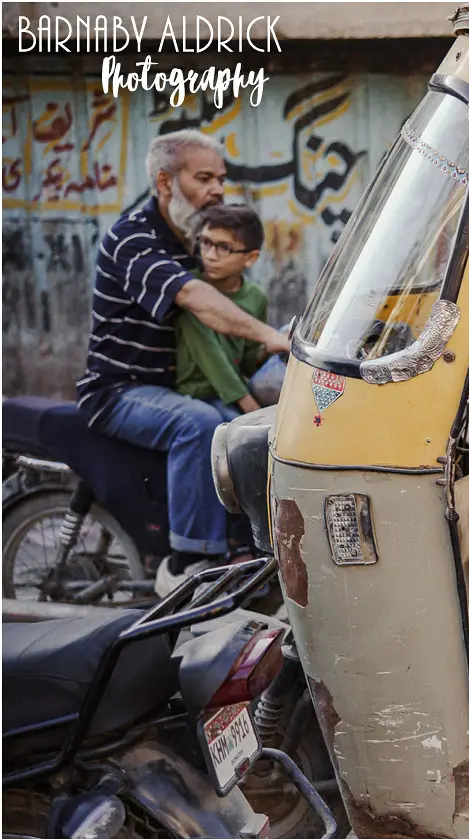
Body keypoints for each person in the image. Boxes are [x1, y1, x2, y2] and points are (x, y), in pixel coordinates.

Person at [76, 130, 289, 595]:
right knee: (200, 425)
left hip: (173, 388)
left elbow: (238, 300)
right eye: (204, 177)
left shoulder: (197, 242)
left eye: (221, 179)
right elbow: (195, 299)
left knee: (239, 427)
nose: (217, 189)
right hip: (120, 391)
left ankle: (247, 546)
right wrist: (269, 337)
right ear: (166, 182)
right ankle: (190, 560)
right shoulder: (134, 238)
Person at [173, 204, 271, 421]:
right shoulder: (188, 288)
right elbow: (208, 352)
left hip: (235, 392)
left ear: (251, 258)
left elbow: (247, 362)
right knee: (237, 430)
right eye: (206, 243)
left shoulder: (256, 297)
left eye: (224, 248)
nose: (210, 255)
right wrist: (249, 405)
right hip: (198, 393)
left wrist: (268, 351)